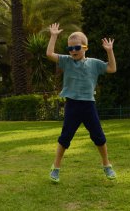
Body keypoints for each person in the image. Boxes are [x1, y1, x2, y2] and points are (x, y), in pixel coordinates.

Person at [46, 23, 117, 183]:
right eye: (70, 48)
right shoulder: (66, 61)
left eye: (76, 48)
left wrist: (110, 51)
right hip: (72, 105)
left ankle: (107, 165)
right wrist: (54, 36)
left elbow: (112, 68)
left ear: (85, 47)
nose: (73, 51)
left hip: (88, 106)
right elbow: (49, 53)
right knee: (65, 138)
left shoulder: (94, 63)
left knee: (99, 137)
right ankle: (55, 168)